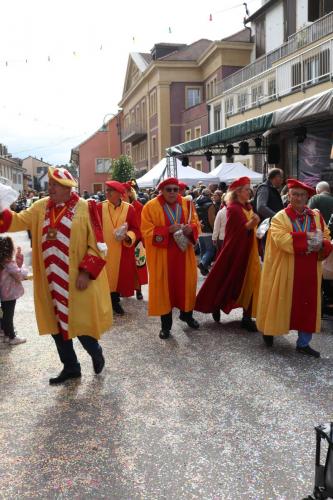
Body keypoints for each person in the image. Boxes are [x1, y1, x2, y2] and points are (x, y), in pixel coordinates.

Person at [0, 167, 112, 384]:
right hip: (49, 279)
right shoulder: (40, 207)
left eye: (54, 185)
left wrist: (86, 272)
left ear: (67, 188)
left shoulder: (87, 207)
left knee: (80, 323)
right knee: (56, 326)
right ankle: (71, 367)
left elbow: (98, 245)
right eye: (49, 184)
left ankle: (95, 351)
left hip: (76, 279)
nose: (49, 188)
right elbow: (16, 221)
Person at [256, 179, 332, 357]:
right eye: (295, 194)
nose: (298, 198)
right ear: (288, 196)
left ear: (308, 197)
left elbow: (326, 235)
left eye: (302, 195)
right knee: (280, 301)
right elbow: (281, 240)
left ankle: (303, 343)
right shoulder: (279, 217)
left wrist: (323, 245)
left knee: (308, 305)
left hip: (310, 270)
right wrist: (309, 237)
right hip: (286, 269)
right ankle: (269, 330)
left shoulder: (316, 216)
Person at [195, 177, 260, 332]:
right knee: (229, 281)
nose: (249, 191)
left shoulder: (247, 207)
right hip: (236, 252)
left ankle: (246, 317)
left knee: (250, 282)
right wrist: (252, 224)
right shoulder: (233, 209)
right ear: (237, 193)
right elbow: (237, 231)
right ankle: (216, 304)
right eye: (246, 189)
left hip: (250, 251)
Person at [141, 177, 201, 339]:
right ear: (162, 190)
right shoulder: (150, 206)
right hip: (163, 257)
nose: (173, 193)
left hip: (184, 254)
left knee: (186, 286)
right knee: (164, 291)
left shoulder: (187, 203)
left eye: (176, 189)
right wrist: (167, 230)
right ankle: (165, 327)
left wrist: (192, 229)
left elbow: (196, 223)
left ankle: (187, 315)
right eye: (169, 190)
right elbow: (146, 231)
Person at [97, 180, 140, 315]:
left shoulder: (129, 208)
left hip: (121, 250)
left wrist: (128, 236)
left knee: (117, 278)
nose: (107, 193)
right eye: (107, 190)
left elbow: (136, 229)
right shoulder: (99, 207)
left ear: (119, 194)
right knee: (102, 277)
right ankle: (102, 303)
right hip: (102, 249)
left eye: (110, 190)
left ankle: (114, 302)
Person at [122, 181, 148, 301]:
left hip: (137, 240)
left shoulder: (138, 206)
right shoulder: (120, 206)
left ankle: (138, 290)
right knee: (124, 267)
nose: (121, 194)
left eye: (123, 192)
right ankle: (124, 289)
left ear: (129, 193)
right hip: (123, 240)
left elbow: (141, 225)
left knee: (138, 266)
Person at [0, 239, 28, 345]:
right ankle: (12, 337)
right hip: (9, 294)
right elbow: (19, 275)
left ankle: (7, 335)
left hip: (3, 294)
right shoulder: (9, 263)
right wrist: (21, 266)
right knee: (8, 315)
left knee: (5, 314)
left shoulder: (2, 261)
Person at [195, 188, 216, 276]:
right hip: (208, 231)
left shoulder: (196, 204)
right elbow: (211, 219)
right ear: (209, 195)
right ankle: (203, 263)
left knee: (203, 250)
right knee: (210, 250)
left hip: (200, 230)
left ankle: (204, 268)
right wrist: (214, 229)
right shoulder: (210, 205)